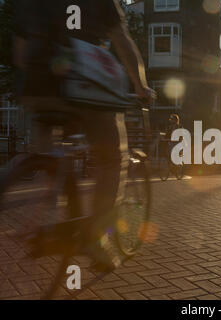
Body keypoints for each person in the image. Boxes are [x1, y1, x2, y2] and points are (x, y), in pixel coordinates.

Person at [13, 0, 156, 270]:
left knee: (45, 151)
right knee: (112, 157)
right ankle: (95, 240)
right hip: (83, 78)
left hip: (38, 79)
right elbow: (122, 40)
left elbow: (19, 50)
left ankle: (47, 183)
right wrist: (141, 85)